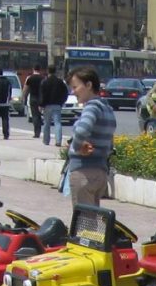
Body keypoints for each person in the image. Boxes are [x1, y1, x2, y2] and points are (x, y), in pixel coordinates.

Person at [64, 68, 116, 208]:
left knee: (83, 224)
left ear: (88, 85)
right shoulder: (107, 109)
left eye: (75, 87)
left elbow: (82, 130)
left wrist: (76, 146)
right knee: (93, 222)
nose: (73, 92)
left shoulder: (91, 107)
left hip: (84, 171)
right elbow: (110, 143)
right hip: (100, 172)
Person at [39, 65, 68, 146]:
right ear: (55, 71)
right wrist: (62, 102)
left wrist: (41, 105)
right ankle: (58, 141)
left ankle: (46, 140)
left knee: (46, 123)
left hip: (47, 105)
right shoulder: (60, 82)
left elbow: (42, 95)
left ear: (48, 71)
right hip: (57, 105)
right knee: (57, 123)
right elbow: (65, 93)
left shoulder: (44, 82)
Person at [23, 65, 44, 139]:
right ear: (39, 70)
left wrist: (24, 97)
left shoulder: (30, 78)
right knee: (39, 115)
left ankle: (36, 132)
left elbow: (26, 89)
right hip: (41, 98)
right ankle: (40, 129)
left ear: (33, 69)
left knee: (34, 115)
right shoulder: (43, 78)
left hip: (33, 98)